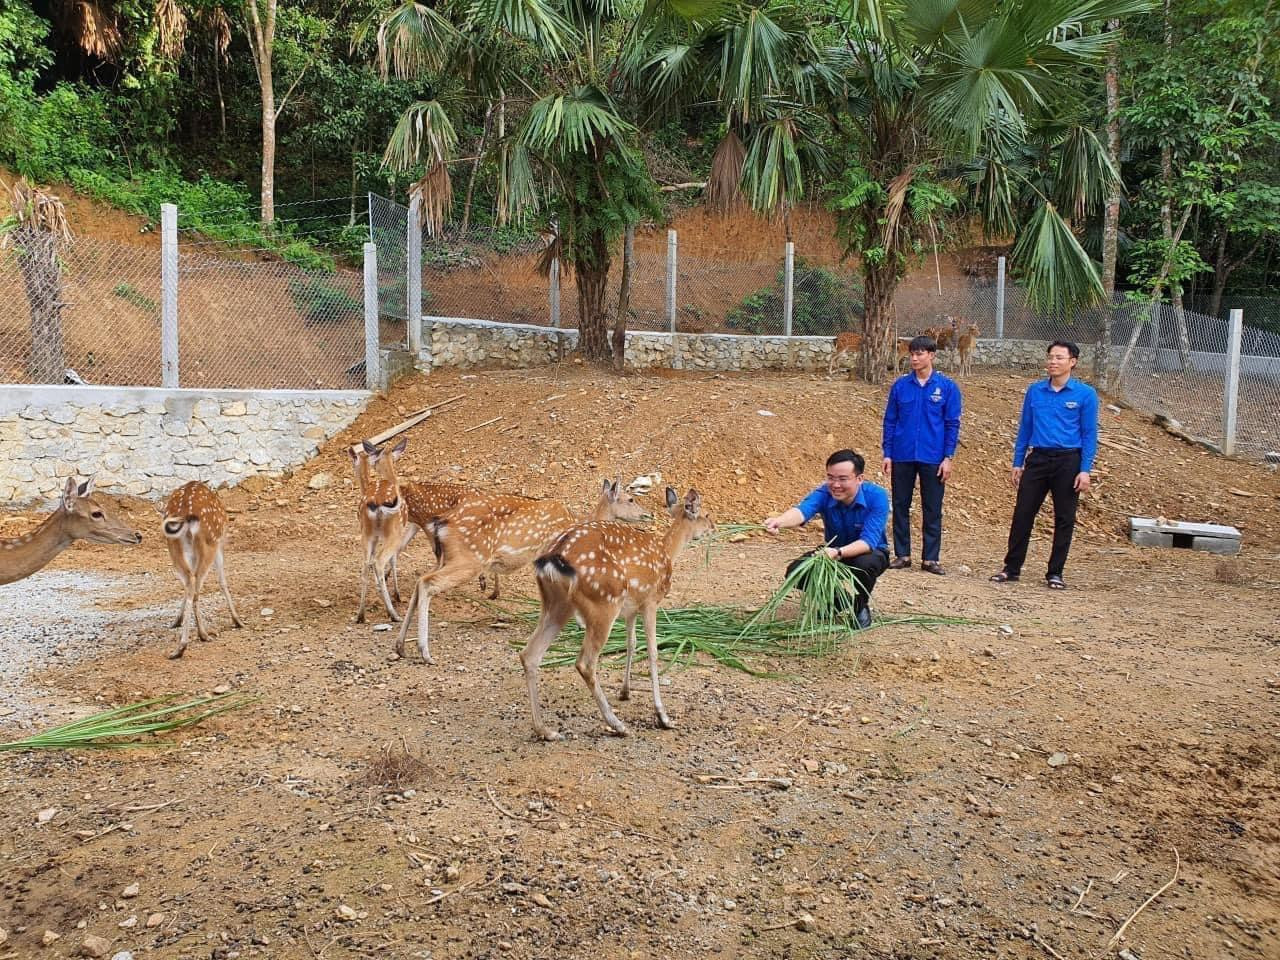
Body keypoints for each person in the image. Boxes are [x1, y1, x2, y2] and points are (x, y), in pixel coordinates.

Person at [991, 340, 1099, 590]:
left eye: (1059, 357)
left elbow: (1089, 434)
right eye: (1050, 357)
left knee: (1064, 518)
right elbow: (1025, 428)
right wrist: (1018, 461)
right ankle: (1012, 567)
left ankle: (1055, 572)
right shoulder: (1035, 391)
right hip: (1038, 459)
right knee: (1023, 513)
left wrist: (1085, 469)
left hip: (1068, 461)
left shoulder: (1085, 395)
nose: (1053, 362)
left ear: (1072, 362)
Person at [763, 450, 890, 629]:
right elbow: (802, 510)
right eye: (830, 477)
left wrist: (838, 552)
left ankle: (859, 606)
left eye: (843, 479)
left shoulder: (877, 496)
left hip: (868, 552)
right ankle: (839, 600)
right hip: (832, 550)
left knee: (865, 564)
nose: (835, 485)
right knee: (796, 571)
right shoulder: (824, 492)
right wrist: (779, 521)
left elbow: (868, 542)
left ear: (859, 479)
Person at [881, 334, 962, 575]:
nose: (914, 358)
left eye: (920, 354)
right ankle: (902, 554)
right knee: (900, 504)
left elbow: (952, 424)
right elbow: (890, 421)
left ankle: (930, 558)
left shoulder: (947, 387)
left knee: (932, 507)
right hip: (903, 454)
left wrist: (948, 457)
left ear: (931, 356)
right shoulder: (900, 386)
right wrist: (888, 453)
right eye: (912, 354)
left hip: (933, 456)